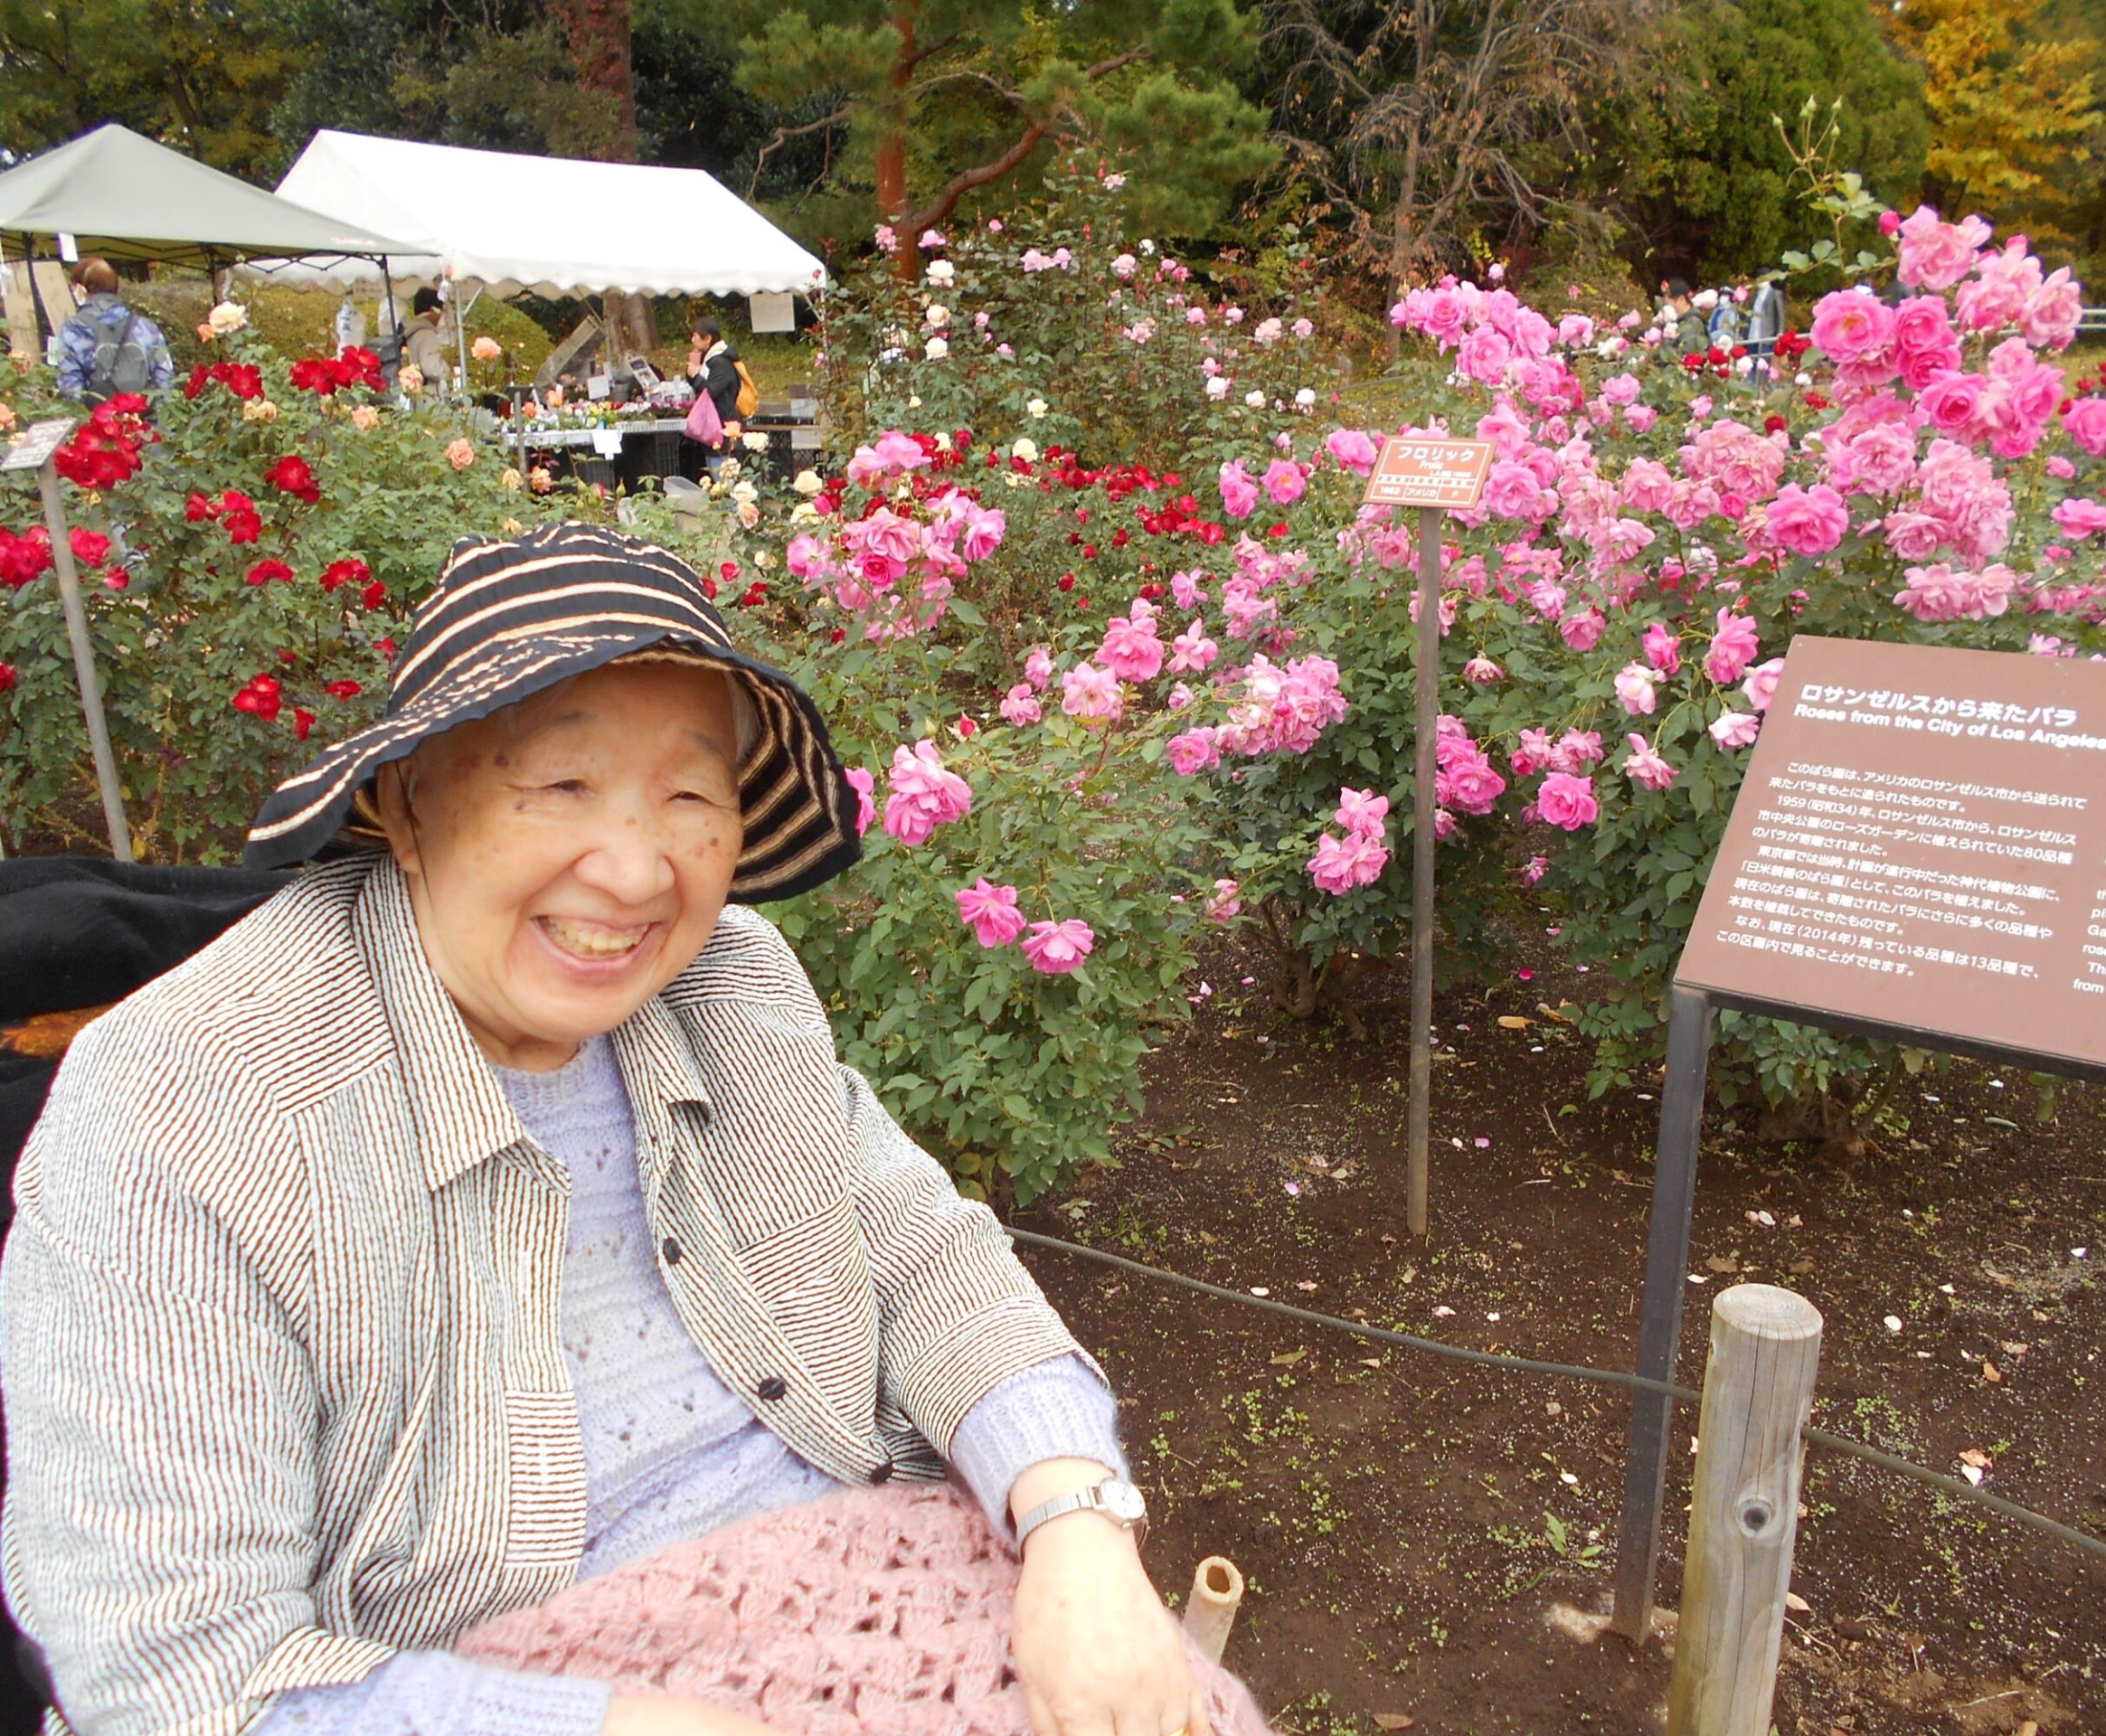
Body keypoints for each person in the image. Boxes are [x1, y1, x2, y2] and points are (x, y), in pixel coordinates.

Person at [2, 524, 1253, 1736]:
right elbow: (172, 1679)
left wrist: (1076, 1521)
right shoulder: (191, 1101)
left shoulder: (734, 984)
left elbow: (928, 1262)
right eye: (562, 782)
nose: (640, 870)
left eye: (692, 794)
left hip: (880, 1584)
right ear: (409, 799)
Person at [54, 259, 172, 402]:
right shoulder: (146, 327)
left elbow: (70, 388)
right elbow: (165, 380)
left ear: (80, 289)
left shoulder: (73, 329)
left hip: (99, 420)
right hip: (144, 418)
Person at [686, 316, 743, 449]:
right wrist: (693, 368)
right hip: (711, 424)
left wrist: (696, 375)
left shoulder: (720, 362)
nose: (692, 340)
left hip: (723, 425)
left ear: (707, 339)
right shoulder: (708, 358)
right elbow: (697, 386)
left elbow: (710, 392)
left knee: (721, 467)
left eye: (695, 336)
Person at [403, 285, 451, 396]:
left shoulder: (411, 331)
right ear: (432, 311)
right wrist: (449, 372)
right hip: (427, 397)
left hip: (412, 395)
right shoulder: (427, 334)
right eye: (441, 312)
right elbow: (431, 368)